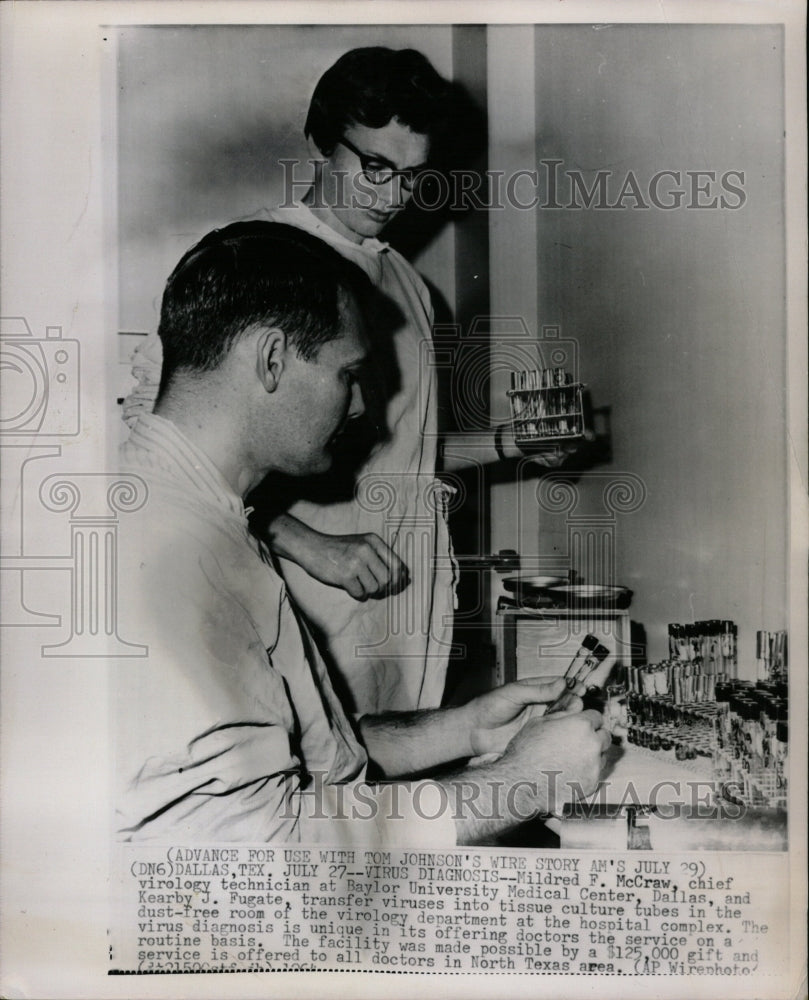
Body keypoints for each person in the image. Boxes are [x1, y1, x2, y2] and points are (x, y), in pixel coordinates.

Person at [116, 222, 609, 846]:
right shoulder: (169, 560)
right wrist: (522, 780)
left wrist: (465, 731)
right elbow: (262, 858)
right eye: (348, 374)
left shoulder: (205, 515)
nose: (358, 410)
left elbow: (304, 756)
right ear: (272, 359)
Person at [123, 47, 565, 717]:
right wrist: (311, 547)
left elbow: (399, 452)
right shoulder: (255, 256)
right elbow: (155, 440)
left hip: (403, 616)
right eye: (375, 168)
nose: (393, 198)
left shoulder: (412, 290)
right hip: (298, 603)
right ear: (323, 143)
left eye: (413, 177)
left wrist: (513, 443)